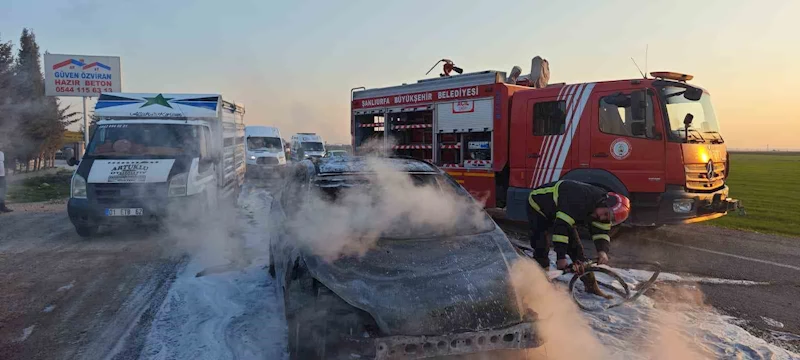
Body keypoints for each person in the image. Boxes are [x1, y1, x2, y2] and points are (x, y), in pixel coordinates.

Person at [527, 180, 630, 296]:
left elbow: (601, 233)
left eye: (607, 218)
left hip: (563, 212)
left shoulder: (602, 213)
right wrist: (561, 258)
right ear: (604, 203)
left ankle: (591, 288)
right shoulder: (579, 200)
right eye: (605, 213)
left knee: (577, 252)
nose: (602, 218)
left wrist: (602, 251)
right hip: (540, 206)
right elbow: (561, 230)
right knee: (541, 245)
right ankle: (542, 283)